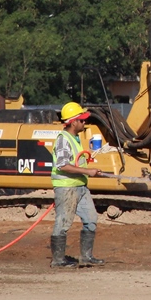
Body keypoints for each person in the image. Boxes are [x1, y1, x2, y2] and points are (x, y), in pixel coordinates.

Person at [50, 102, 105, 268]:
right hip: (67, 187)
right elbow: (62, 165)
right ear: (73, 122)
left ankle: (86, 257)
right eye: (81, 120)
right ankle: (58, 260)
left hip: (80, 186)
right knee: (63, 222)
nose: (84, 123)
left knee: (91, 219)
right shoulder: (63, 140)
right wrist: (87, 172)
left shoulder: (75, 138)